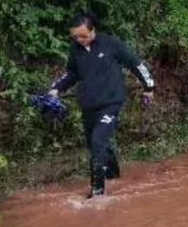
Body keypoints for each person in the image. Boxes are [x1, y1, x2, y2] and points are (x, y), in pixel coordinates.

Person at [48, 13, 155, 198]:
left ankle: (97, 194)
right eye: (75, 37)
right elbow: (72, 73)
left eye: (83, 35)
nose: (80, 40)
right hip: (89, 106)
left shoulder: (111, 44)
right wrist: (56, 89)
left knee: (98, 141)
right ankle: (114, 177)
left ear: (93, 29)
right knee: (95, 145)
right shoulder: (75, 49)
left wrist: (149, 87)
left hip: (111, 103)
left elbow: (135, 63)